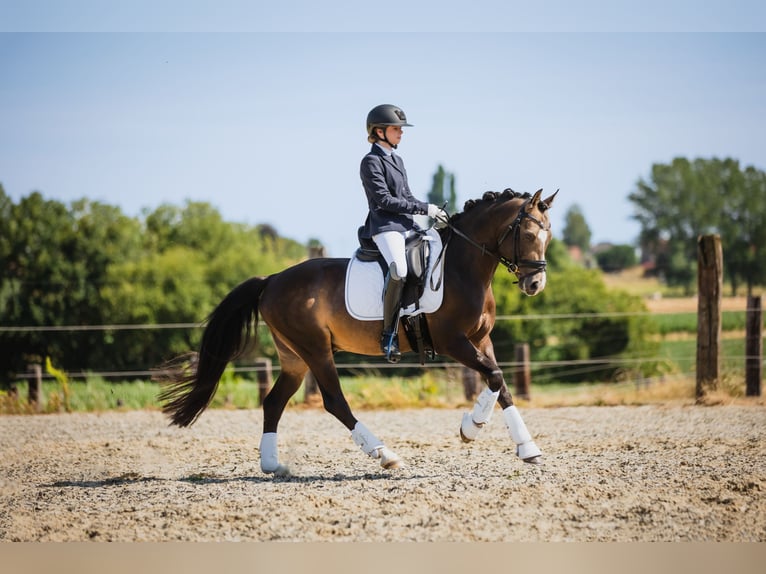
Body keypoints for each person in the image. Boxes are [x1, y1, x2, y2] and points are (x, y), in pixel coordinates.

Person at [358, 104, 448, 363]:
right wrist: (425, 207)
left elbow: (406, 197)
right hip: (385, 227)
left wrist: (429, 212)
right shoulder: (371, 162)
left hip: (407, 225)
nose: (401, 133)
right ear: (379, 131)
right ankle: (388, 335)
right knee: (399, 269)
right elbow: (385, 201)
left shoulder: (397, 160)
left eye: (400, 129)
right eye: (396, 129)